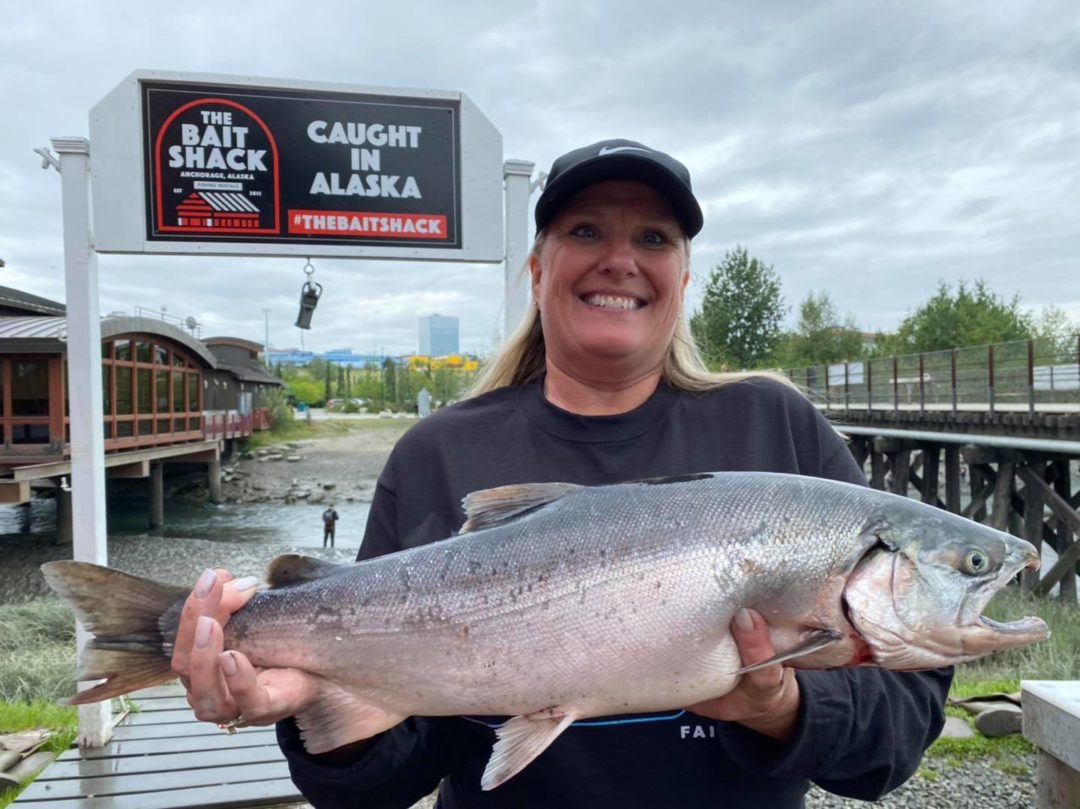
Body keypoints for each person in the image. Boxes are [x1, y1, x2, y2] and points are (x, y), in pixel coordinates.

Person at [172, 138, 951, 808]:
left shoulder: (775, 426)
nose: (621, 260)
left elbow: (895, 736)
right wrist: (313, 708)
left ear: (682, 278)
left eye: (654, 238)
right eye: (587, 230)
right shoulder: (439, 452)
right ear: (538, 270)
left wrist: (778, 704)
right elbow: (380, 782)